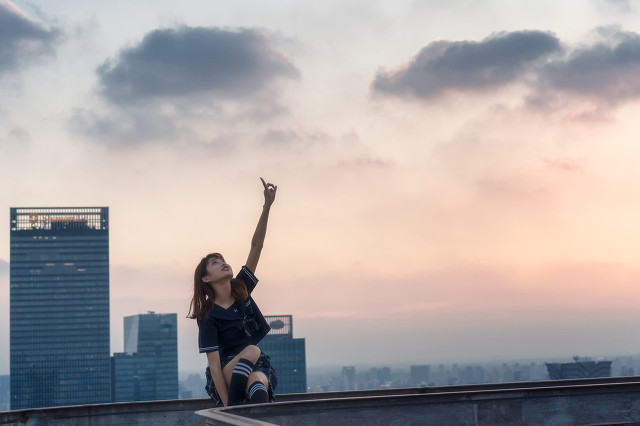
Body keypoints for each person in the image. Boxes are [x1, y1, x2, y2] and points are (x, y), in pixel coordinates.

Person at [188, 178, 278, 406]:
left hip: (253, 364)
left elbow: (256, 246)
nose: (223, 263)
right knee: (251, 350)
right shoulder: (207, 314)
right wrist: (227, 406)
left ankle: (257, 415)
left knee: (258, 381)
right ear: (206, 278)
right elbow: (215, 366)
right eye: (215, 263)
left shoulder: (241, 289)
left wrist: (266, 207)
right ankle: (236, 412)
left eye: (223, 260)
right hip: (226, 372)